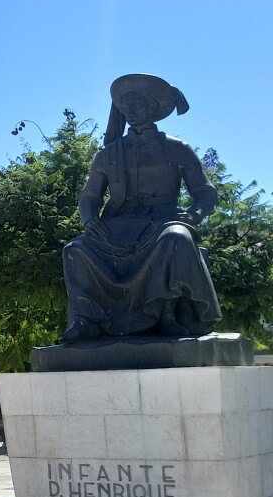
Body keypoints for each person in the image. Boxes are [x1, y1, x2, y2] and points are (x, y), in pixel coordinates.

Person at [61, 74, 220, 342]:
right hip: (117, 227)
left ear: (153, 108)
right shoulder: (108, 154)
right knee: (74, 249)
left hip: (163, 222)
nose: (131, 112)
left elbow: (204, 191)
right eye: (126, 107)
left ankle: (165, 314)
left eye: (137, 105)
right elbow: (90, 197)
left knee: (176, 238)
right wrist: (89, 222)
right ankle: (86, 319)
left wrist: (194, 215)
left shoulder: (177, 149)